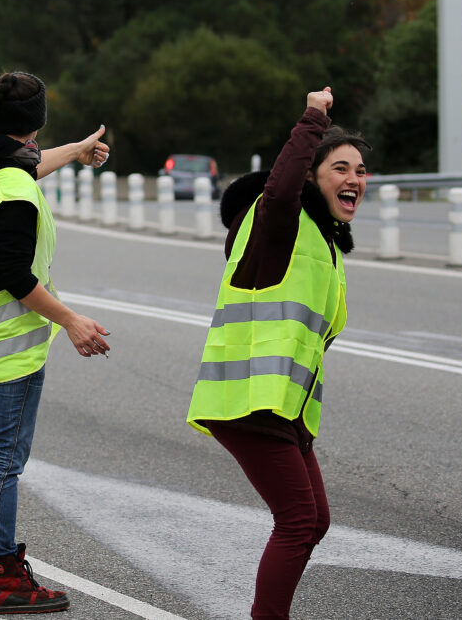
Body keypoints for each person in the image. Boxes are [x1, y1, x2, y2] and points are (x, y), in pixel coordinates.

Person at [186, 88, 371, 620]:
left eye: (360, 170)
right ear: (311, 177)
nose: (354, 179)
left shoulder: (323, 241)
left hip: (280, 406)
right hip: (248, 400)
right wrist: (313, 117)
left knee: (314, 521)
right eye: (340, 168)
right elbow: (283, 185)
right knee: (296, 520)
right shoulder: (280, 223)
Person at [0, 71, 111, 615]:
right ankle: (3, 574)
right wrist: (70, 320)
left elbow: (29, 162)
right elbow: (12, 271)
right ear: (35, 122)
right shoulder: (13, 185)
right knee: (3, 462)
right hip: (9, 345)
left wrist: (76, 150)